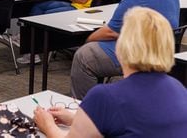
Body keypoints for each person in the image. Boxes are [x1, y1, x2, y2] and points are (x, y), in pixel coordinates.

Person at [34, 7, 187, 137]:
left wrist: (47, 124)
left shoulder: (105, 97)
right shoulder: (179, 89)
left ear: (122, 47)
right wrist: (77, 119)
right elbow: (137, 124)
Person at [70, 0, 180, 99]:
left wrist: (87, 40)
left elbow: (110, 32)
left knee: (84, 55)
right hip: (163, 49)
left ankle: (85, 110)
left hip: (142, 52)